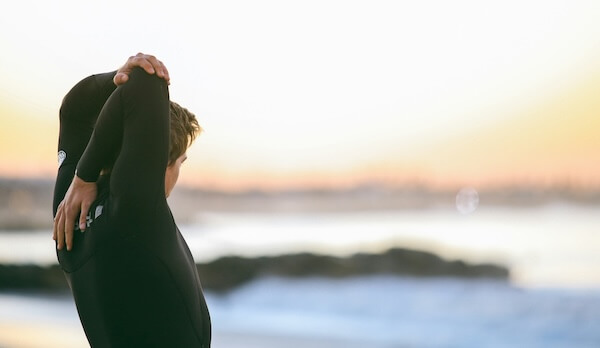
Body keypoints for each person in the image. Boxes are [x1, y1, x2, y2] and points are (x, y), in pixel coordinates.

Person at [52, 53, 211, 347]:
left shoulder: (68, 213)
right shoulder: (135, 211)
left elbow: (73, 110)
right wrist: (83, 174)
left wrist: (83, 177)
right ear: (156, 162)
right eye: (180, 163)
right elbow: (147, 81)